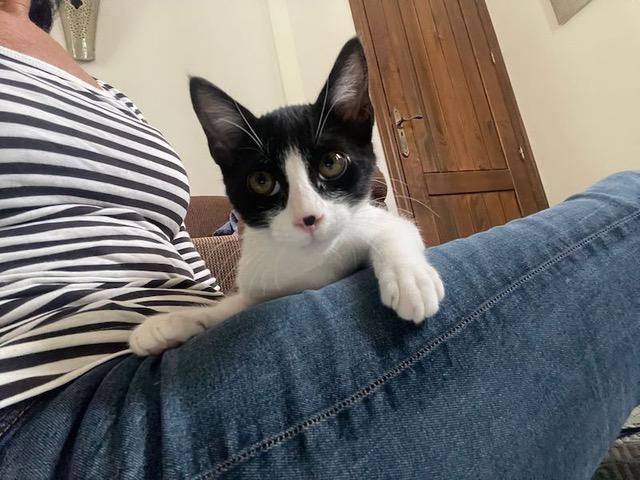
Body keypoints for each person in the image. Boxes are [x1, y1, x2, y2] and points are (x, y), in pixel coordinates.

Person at [0, 1, 638, 478]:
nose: (307, 211)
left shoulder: (88, 74)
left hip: (201, 349)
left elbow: (375, 235)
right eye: (265, 181)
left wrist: (207, 316)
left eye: (329, 165)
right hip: (56, 416)